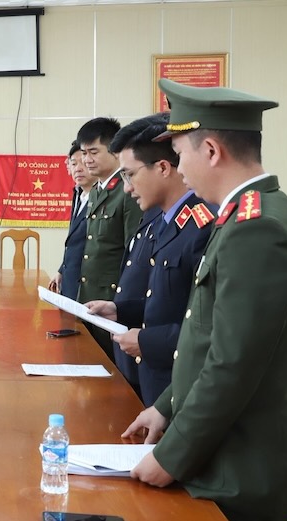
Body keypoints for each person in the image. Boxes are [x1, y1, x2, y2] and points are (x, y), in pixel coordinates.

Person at [122, 79, 287, 521]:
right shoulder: (244, 217)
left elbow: (233, 365)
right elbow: (209, 341)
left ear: (211, 149)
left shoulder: (257, 228)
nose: (179, 168)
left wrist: (171, 455)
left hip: (241, 467)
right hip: (224, 453)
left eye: (181, 153)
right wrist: (165, 408)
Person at [86, 113, 216, 407]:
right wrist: (120, 309)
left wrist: (145, 341)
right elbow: (163, 300)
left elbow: (205, 328)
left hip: (180, 388)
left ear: (162, 167)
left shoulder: (201, 226)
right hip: (156, 381)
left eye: (130, 175)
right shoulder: (166, 220)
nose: (127, 187)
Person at [75, 117, 144, 360]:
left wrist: (122, 304)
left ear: (114, 151)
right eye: (83, 153)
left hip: (113, 301)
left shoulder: (125, 192)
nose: (86, 160)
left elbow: (133, 253)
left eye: (94, 152)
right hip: (91, 299)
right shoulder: (96, 190)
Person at [48, 142, 93, 300]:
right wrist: (62, 270)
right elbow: (74, 241)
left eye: (84, 163)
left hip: (87, 288)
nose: (78, 169)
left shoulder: (101, 198)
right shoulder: (78, 194)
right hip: (70, 281)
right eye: (74, 164)